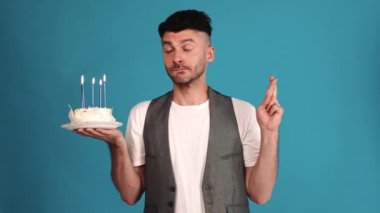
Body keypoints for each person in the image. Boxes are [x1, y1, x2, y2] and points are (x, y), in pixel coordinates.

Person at [75, 9, 284, 213]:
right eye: (168, 50)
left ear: (209, 54)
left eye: (187, 48)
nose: (177, 58)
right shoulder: (142, 113)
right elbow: (130, 196)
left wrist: (270, 133)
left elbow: (260, 194)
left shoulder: (242, 112)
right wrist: (117, 145)